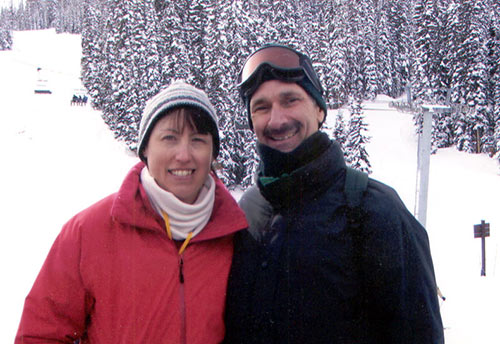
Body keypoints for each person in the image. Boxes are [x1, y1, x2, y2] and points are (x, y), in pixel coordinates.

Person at [224, 44, 444, 343]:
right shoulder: (247, 212)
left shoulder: (374, 210)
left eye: (290, 100)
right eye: (261, 107)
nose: (277, 120)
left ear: (319, 109)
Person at [15, 81, 248, 343]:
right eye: (169, 138)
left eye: (198, 140)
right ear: (145, 149)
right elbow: (40, 334)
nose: (183, 155)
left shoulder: (235, 236)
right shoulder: (88, 232)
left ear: (212, 152)